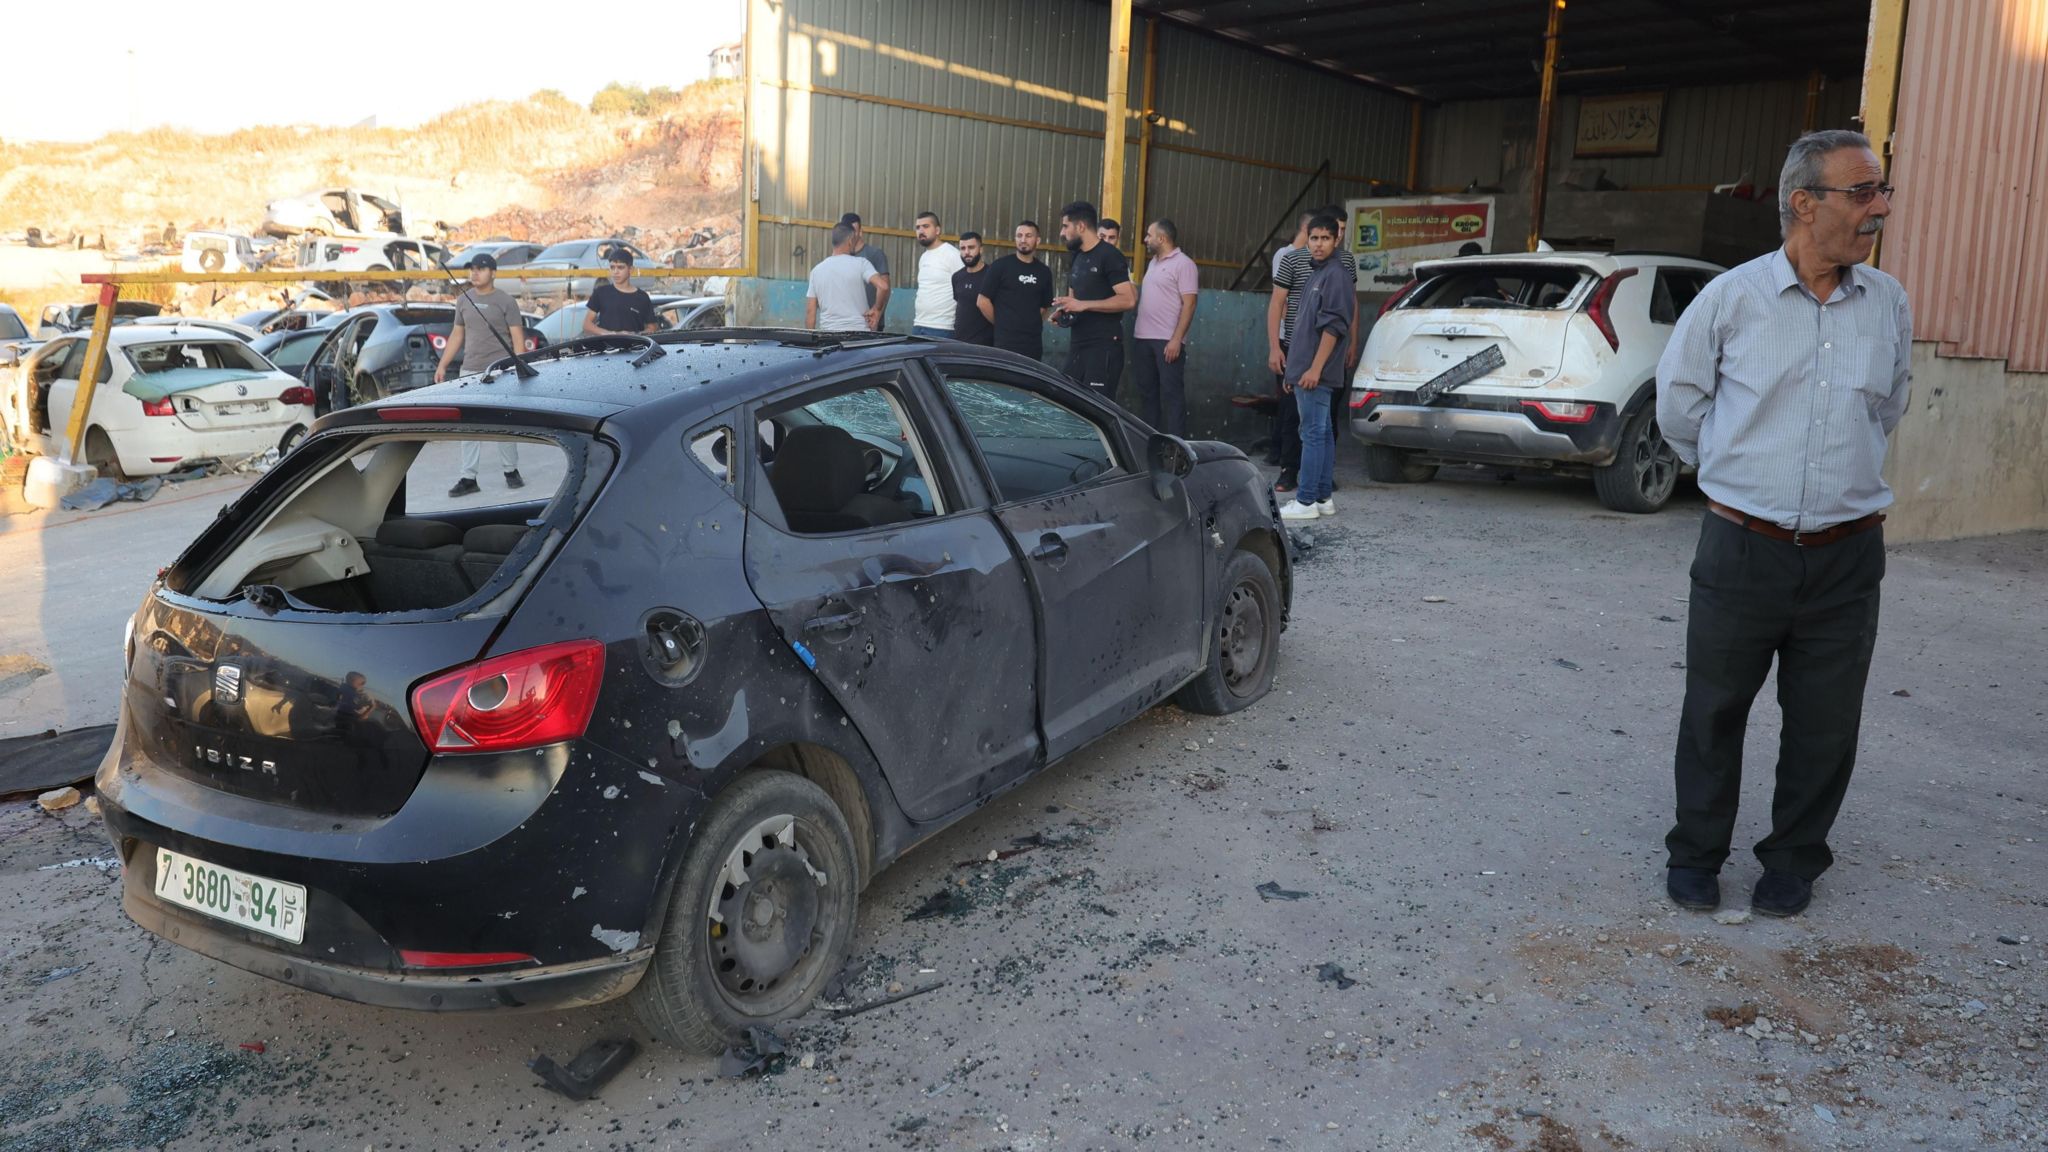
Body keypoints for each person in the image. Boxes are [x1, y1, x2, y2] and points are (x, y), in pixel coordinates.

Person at [1656, 129, 1909, 919]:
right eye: (1863, 192)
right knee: (1714, 711)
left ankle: (1794, 860)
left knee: (1826, 724)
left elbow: (1889, 407)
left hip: (1847, 555)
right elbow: (1680, 409)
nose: (1881, 209)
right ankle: (1696, 855)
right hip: (1742, 548)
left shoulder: (1889, 303)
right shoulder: (1732, 299)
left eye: (1882, 191)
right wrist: (1742, 481)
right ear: (1805, 203)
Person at [1269, 205, 1359, 493]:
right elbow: (1280, 307)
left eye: (1327, 237)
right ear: (1306, 238)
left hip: (1317, 360)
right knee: (1304, 425)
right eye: (1315, 238)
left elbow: (1334, 325)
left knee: (1317, 430)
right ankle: (1303, 482)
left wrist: (1316, 367)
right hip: (1299, 353)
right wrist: (1279, 351)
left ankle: (1309, 495)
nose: (1320, 244)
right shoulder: (1306, 268)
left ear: (1337, 240)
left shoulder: (1337, 272)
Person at [435, 252, 527, 497]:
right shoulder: (464, 300)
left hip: (502, 370)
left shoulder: (506, 301)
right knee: (469, 425)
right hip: (470, 369)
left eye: (481, 269)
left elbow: (517, 337)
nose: (474, 273)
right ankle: (469, 478)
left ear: (493, 273)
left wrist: (519, 367)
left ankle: (511, 470)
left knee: (503, 422)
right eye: (472, 269)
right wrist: (442, 365)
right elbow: (457, 335)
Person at [1051, 199, 1135, 398]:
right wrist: (1065, 313)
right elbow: (1076, 302)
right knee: (1066, 402)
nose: (1062, 233)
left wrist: (1082, 305)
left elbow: (1128, 300)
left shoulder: (1110, 256)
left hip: (1104, 346)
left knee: (1096, 409)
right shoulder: (1077, 257)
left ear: (1081, 226)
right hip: (1078, 344)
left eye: (1065, 226)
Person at [1131, 218, 1199, 435]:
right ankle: (1150, 445)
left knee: (1171, 396)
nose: (1145, 240)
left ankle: (1177, 450)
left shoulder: (1184, 264)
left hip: (1167, 342)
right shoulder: (1153, 263)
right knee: (1148, 395)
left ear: (1162, 238)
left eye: (1149, 235)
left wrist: (1176, 340)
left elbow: (1190, 304)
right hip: (1143, 339)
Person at [1263, 213, 1312, 467]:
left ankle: (1282, 451)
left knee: (1292, 399)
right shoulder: (1286, 256)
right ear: (1306, 229)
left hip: (1297, 337)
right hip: (1287, 337)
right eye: (1316, 235)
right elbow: (1280, 300)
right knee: (1286, 397)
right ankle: (1279, 450)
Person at [978, 220, 1055, 360]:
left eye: (1028, 236)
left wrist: (1028, 323)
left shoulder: (1044, 272)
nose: (1023, 240)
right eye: (1019, 235)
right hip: (1005, 343)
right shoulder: (1000, 266)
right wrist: (1002, 323)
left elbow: (1045, 307)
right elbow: (982, 301)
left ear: (1037, 240)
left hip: (1033, 344)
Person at [805, 222, 885, 333]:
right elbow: (883, 286)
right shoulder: (862, 263)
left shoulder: (816, 271)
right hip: (860, 335)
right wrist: (876, 309)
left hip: (829, 335)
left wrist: (811, 340)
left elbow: (810, 312)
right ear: (850, 241)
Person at [582, 245, 662, 336]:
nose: (615, 272)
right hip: (606, 349)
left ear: (631, 270)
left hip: (635, 349)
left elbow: (653, 328)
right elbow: (587, 325)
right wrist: (613, 334)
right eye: (612, 267)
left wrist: (634, 335)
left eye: (620, 267)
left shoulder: (642, 297)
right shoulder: (601, 293)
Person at [910, 211, 965, 339]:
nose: (921, 230)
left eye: (926, 226)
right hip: (919, 324)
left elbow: (963, 289)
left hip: (942, 327)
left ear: (937, 230)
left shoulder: (952, 254)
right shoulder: (924, 257)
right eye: (918, 227)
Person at [839, 212, 891, 330]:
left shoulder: (875, 254)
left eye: (854, 231)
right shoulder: (840, 257)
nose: (851, 235)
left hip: (870, 323)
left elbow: (885, 288)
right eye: (847, 231)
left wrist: (877, 313)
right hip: (847, 324)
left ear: (861, 232)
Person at [951, 231, 995, 346]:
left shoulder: (992, 276)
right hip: (959, 343)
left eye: (971, 248)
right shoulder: (957, 277)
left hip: (985, 346)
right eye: (962, 248)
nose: (966, 252)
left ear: (981, 249)